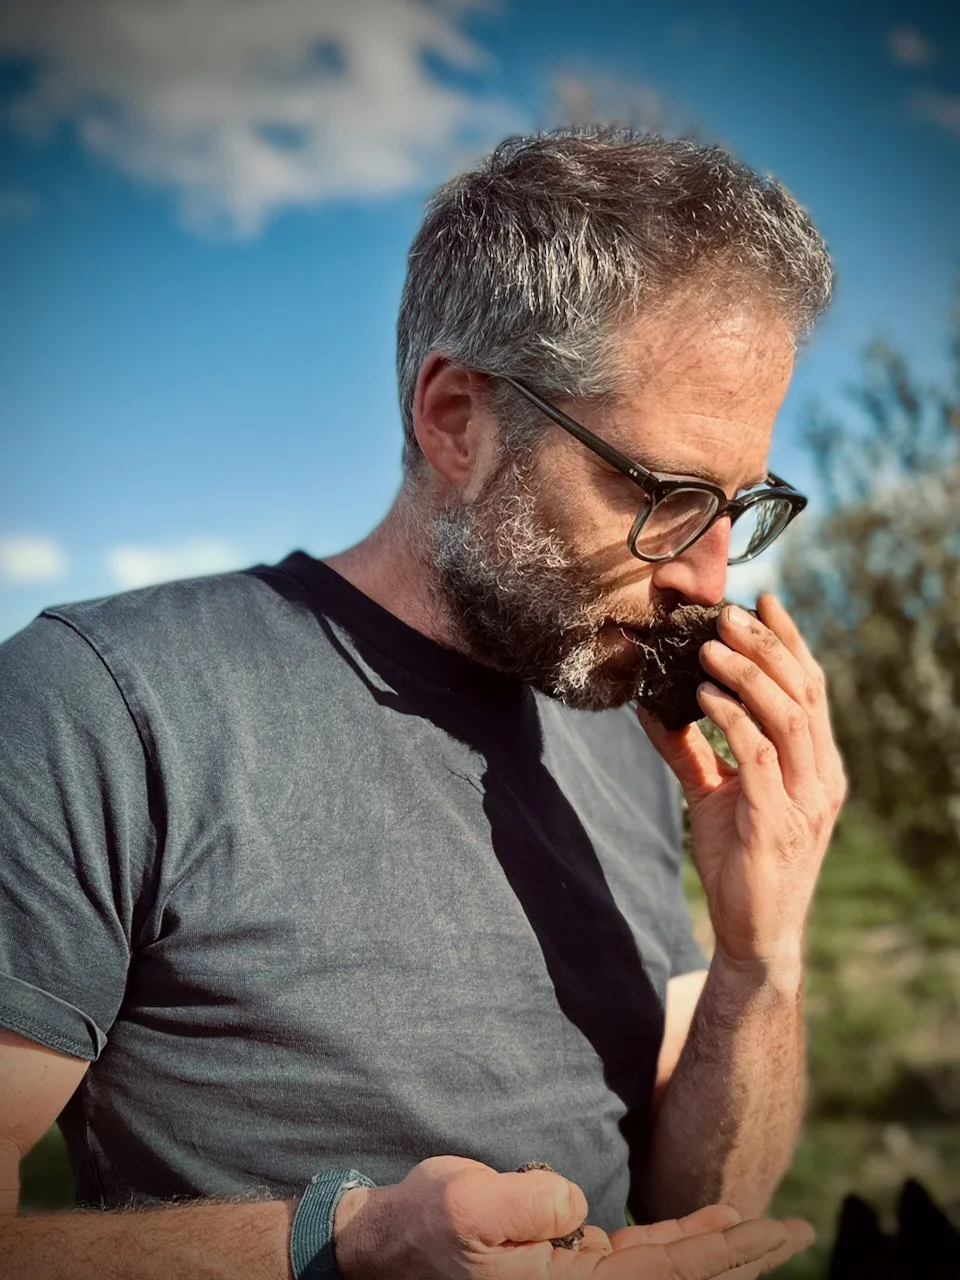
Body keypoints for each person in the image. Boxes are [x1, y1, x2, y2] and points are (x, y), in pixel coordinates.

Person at [0, 128, 846, 1279]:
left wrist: (763, 953)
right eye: (665, 493)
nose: (710, 575)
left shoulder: (626, 736)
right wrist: (344, 1244)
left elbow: (698, 1205)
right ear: (455, 418)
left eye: (740, 504)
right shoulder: (106, 702)